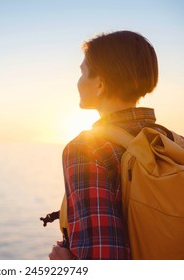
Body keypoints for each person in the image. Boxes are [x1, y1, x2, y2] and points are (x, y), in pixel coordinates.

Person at [49, 30, 164, 260]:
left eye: (82, 73)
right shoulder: (172, 142)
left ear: (100, 84)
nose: (79, 82)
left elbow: (103, 261)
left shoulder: (88, 149)